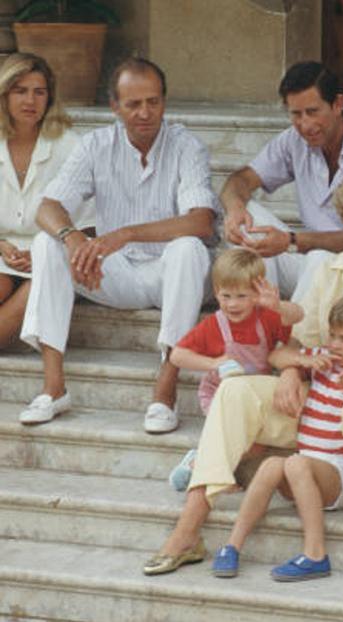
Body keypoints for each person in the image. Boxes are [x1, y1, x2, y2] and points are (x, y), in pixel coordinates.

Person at [144, 163, 343, 599]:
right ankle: (189, 528)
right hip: (325, 398)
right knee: (236, 389)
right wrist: (291, 371)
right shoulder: (335, 268)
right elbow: (297, 341)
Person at [17, 57, 220, 432]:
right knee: (47, 244)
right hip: (116, 274)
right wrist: (74, 238)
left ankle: (166, 388)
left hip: (174, 275)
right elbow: (48, 207)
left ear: (164, 101)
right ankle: (53, 386)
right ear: (114, 106)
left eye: (153, 102)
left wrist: (126, 233)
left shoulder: (186, 146)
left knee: (188, 247)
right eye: (133, 104)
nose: (145, 113)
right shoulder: (96, 144)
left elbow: (201, 221)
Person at [209, 292, 343, 582]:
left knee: (294, 463)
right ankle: (232, 546)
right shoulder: (324, 358)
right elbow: (275, 355)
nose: (335, 344)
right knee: (271, 465)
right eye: (332, 336)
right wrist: (299, 363)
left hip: (338, 476)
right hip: (304, 467)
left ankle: (316, 554)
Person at [221, 61, 343, 302]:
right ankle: (258, 325)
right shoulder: (293, 140)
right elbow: (240, 179)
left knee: (320, 260)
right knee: (248, 217)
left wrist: (293, 241)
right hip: (306, 261)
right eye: (296, 114)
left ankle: (294, 337)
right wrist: (235, 209)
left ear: (338, 104)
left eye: (313, 112)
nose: (305, 125)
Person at [167, 247, 303, 491]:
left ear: (257, 292)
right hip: (219, 394)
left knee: (257, 444)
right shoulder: (213, 325)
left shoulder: (267, 316)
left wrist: (278, 306)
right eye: (225, 295)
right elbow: (177, 355)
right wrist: (213, 363)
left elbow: (298, 316)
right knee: (233, 436)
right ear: (216, 292)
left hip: (254, 394)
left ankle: (205, 462)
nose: (232, 304)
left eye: (242, 296)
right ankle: (206, 467)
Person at [0, 52, 94, 349]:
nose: (30, 101)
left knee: (36, 287)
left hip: (52, 254)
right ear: (4, 95)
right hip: (3, 252)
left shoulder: (70, 146)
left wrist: (40, 251)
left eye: (39, 92)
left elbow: (89, 226)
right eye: (20, 91)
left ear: (50, 97)